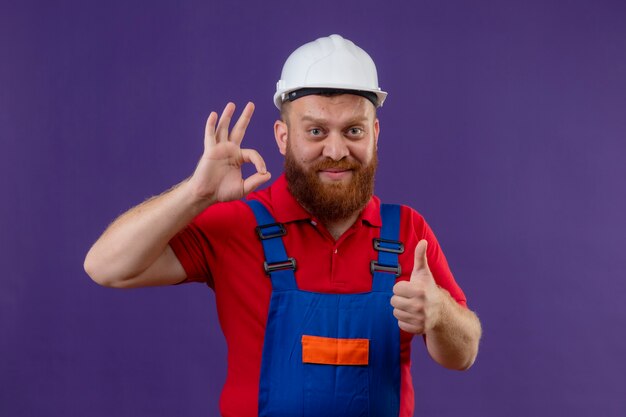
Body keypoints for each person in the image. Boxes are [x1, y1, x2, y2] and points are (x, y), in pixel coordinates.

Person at [84, 34, 481, 417]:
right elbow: (106, 267)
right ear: (282, 136)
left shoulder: (408, 232)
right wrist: (195, 193)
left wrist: (439, 315)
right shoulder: (237, 224)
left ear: (375, 135)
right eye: (316, 131)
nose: (337, 150)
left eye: (354, 131)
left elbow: (463, 355)